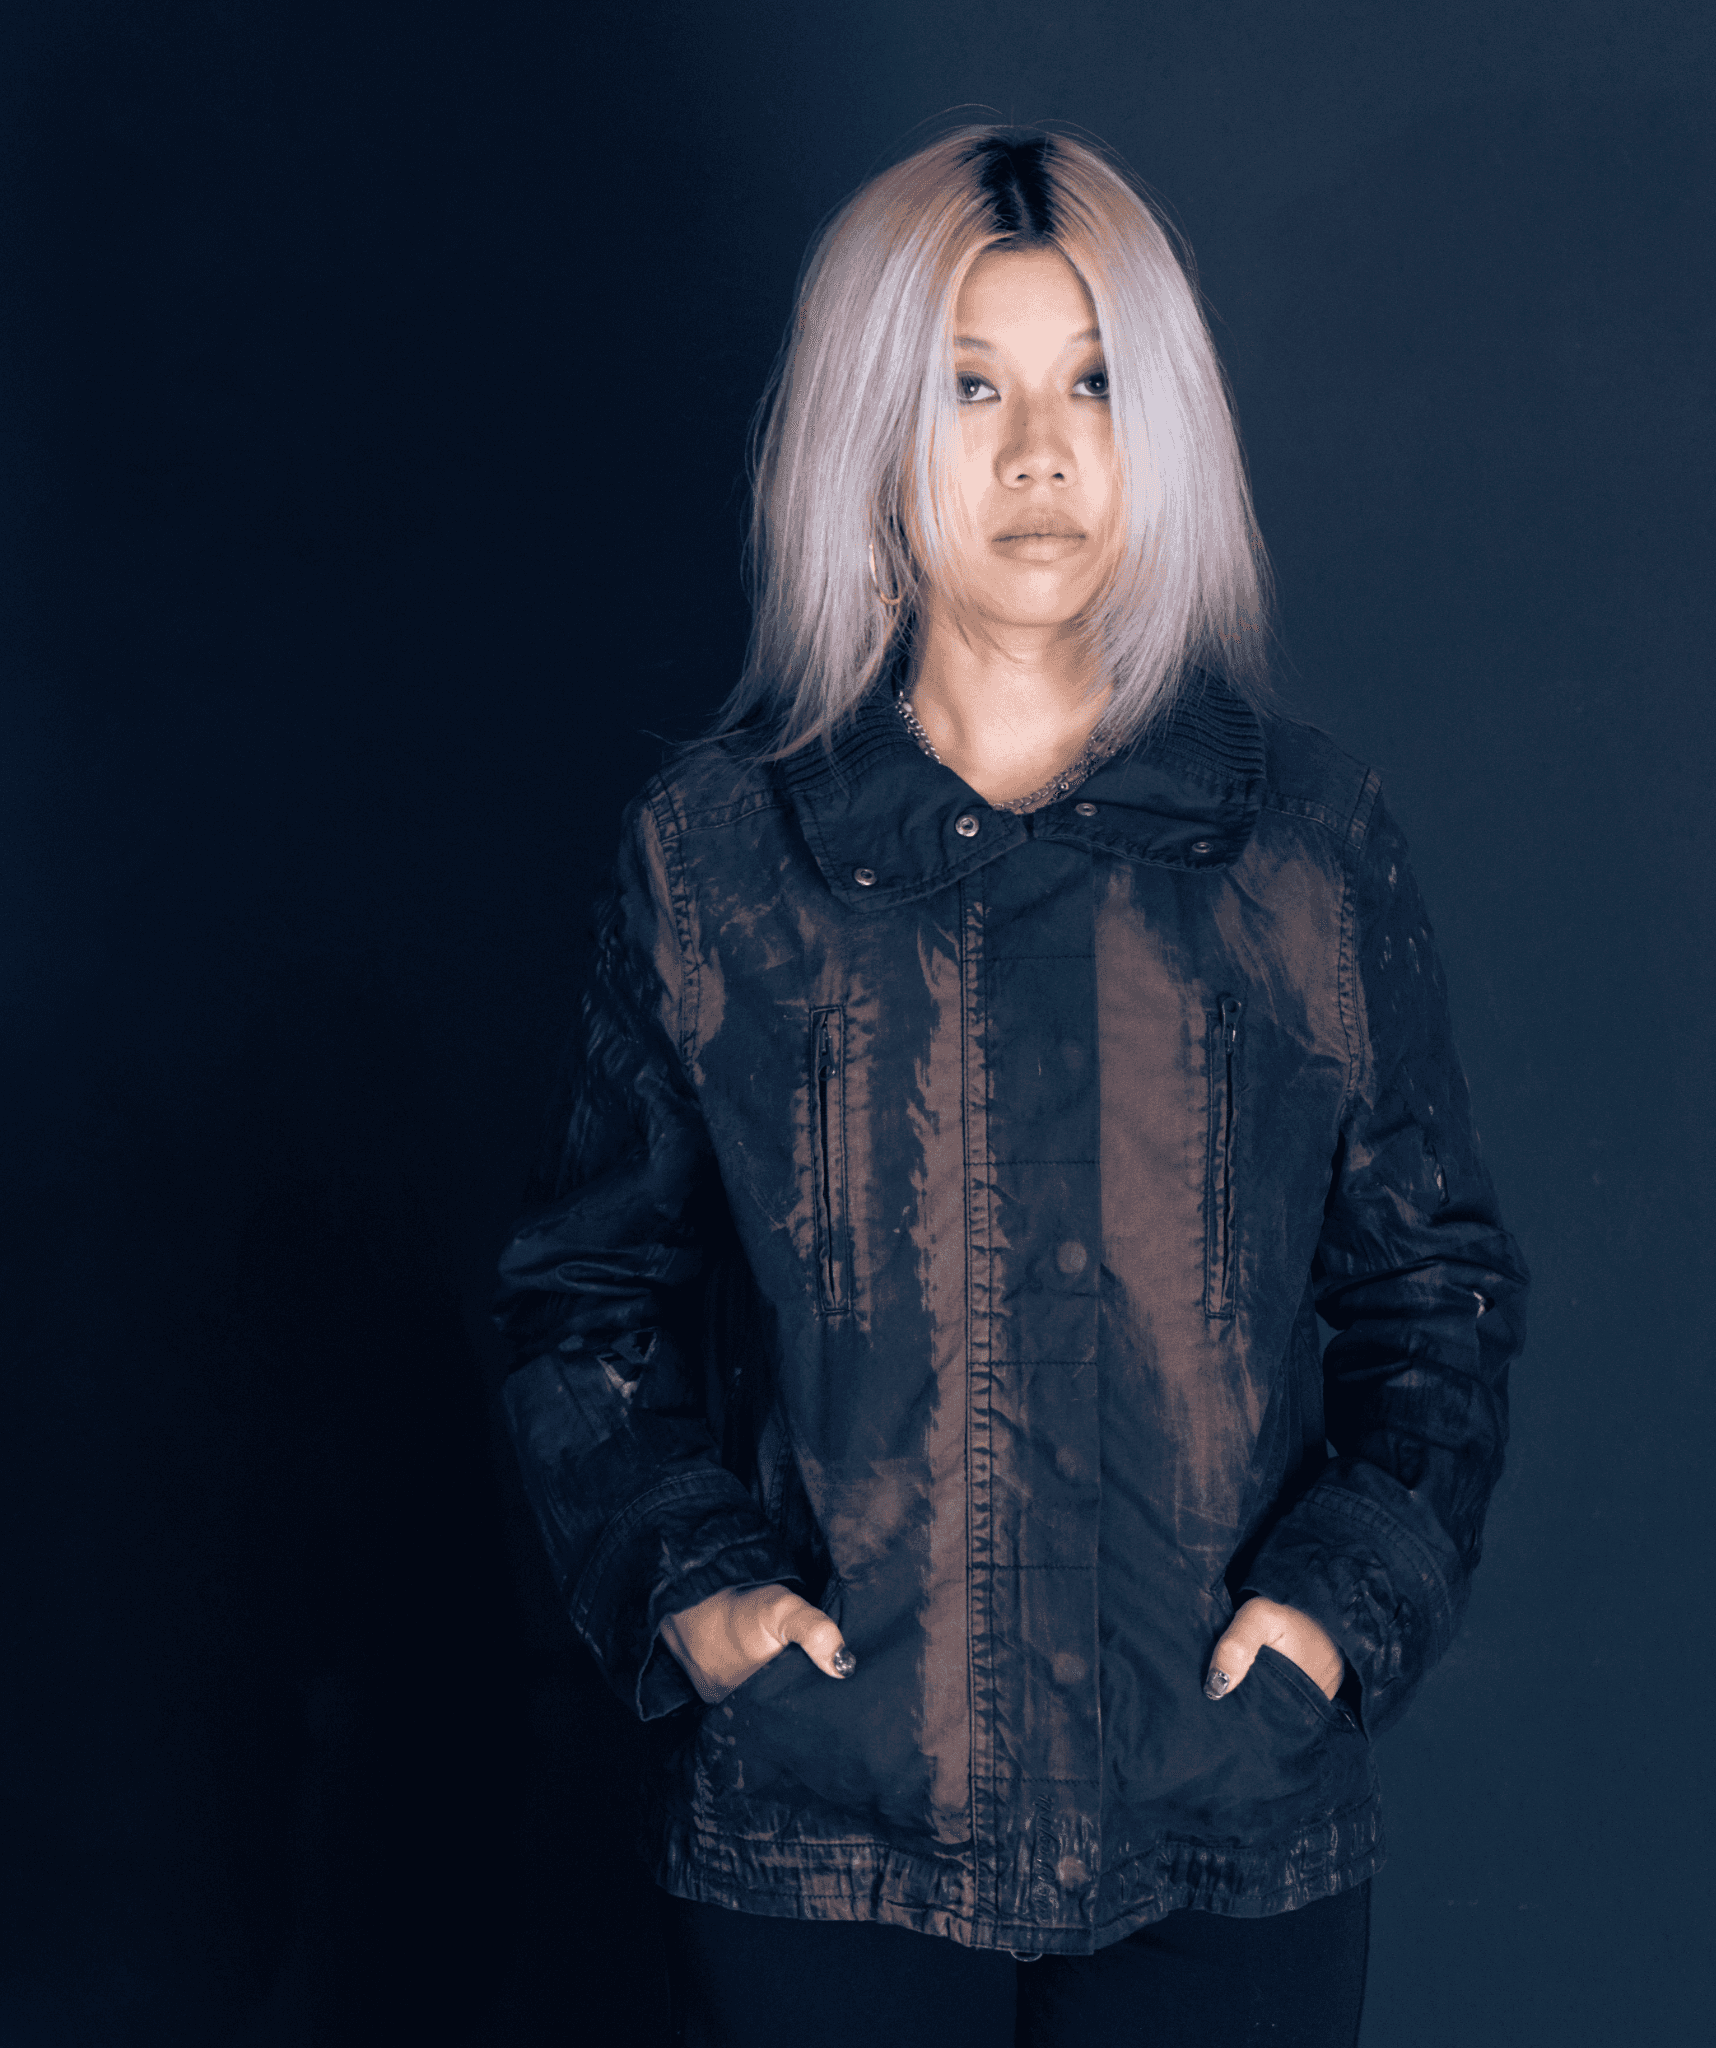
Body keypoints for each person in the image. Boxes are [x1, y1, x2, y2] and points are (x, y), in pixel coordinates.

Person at [494, 125, 1529, 2048]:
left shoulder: (1305, 847)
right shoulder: (714, 859)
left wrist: (1335, 1611)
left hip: (1229, 1838)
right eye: (972, 387)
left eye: (1095, 383)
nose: (1041, 452)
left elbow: (1434, 1291)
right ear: (872, 436)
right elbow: (585, 1299)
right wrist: (697, 1594)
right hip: (826, 1838)